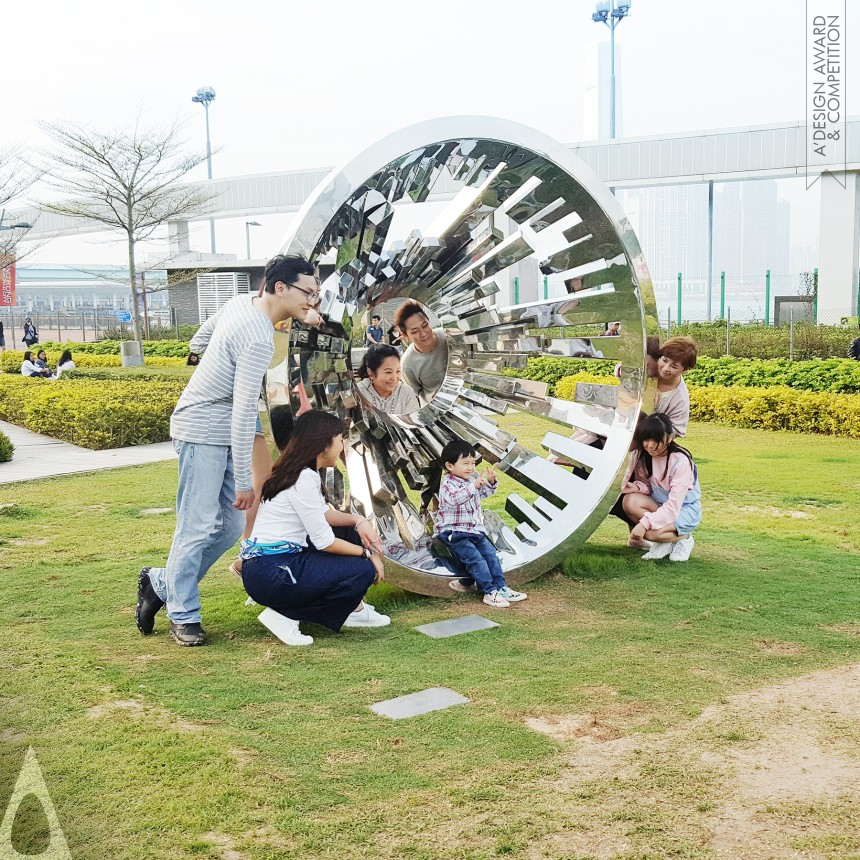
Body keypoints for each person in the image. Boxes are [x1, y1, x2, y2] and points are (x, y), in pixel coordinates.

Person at [135, 254, 321, 647]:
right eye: (308, 293)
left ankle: (162, 583)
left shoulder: (240, 302)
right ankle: (183, 615)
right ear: (281, 288)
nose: (312, 300)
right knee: (198, 524)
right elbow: (241, 414)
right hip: (203, 427)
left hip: (215, 425)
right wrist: (244, 483)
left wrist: (213, 363)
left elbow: (198, 340)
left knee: (232, 527)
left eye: (316, 294)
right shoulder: (257, 338)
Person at [241, 410, 389, 646]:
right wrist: (369, 555)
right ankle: (285, 614)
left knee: (350, 533)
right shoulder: (303, 479)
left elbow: (323, 515)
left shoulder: (297, 473)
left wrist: (357, 521)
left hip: (265, 570)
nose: (342, 445)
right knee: (361, 570)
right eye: (340, 439)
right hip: (274, 573)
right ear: (324, 445)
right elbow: (324, 542)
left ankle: (354, 609)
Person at [434, 439, 527, 607]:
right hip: (455, 533)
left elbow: (481, 494)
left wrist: (490, 482)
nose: (470, 467)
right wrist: (474, 487)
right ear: (449, 466)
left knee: (491, 556)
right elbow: (454, 499)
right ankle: (489, 592)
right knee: (477, 560)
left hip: (475, 530)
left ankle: (501, 587)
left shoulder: (470, 480)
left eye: (473, 463)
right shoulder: (448, 484)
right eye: (465, 463)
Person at [620, 413, 701, 562]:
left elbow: (673, 506)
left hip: (683, 509)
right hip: (660, 505)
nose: (650, 445)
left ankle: (684, 538)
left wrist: (644, 524)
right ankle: (666, 542)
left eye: (656, 439)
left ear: (669, 437)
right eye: (646, 439)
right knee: (629, 501)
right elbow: (646, 485)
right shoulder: (644, 456)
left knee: (650, 534)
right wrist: (635, 487)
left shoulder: (680, 462)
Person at [394, 300, 448, 406]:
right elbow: (415, 395)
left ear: (428, 321)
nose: (423, 334)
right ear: (405, 336)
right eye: (415, 331)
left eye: (425, 325)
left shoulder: (449, 337)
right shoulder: (407, 364)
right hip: (436, 412)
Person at [356, 343, 420, 415]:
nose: (394, 377)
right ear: (371, 373)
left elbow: (414, 423)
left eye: (398, 371)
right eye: (388, 372)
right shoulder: (358, 392)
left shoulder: (406, 392)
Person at [654, 336, 698, 438]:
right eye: (664, 360)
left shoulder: (680, 398)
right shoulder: (649, 369)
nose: (666, 368)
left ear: (685, 370)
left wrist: (652, 411)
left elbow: (676, 430)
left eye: (674, 366)